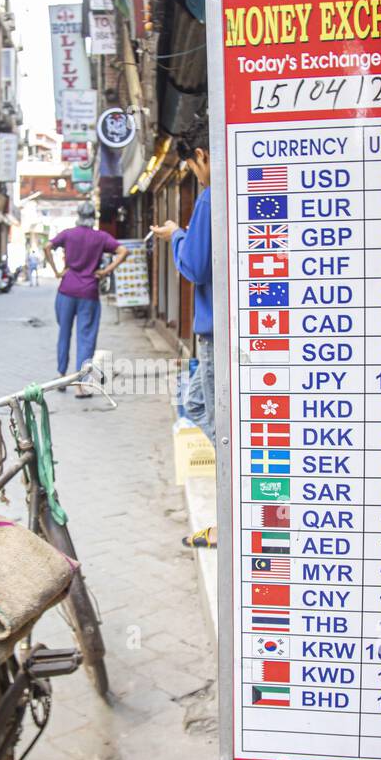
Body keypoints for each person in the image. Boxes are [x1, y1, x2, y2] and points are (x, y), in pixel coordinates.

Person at [151, 117, 217, 548]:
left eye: (192, 170)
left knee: (223, 428)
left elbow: (195, 266)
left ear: (201, 158)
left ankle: (238, 520)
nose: (196, 176)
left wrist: (176, 236)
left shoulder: (212, 198)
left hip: (216, 335)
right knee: (194, 402)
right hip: (218, 331)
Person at [45, 199, 128, 398]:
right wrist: (105, 271)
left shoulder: (68, 234)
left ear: (78, 215)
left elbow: (47, 246)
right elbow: (123, 251)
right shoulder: (100, 237)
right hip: (89, 292)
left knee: (64, 332)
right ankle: (80, 386)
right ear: (93, 217)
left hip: (66, 290)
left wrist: (57, 271)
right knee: (86, 338)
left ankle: (61, 375)